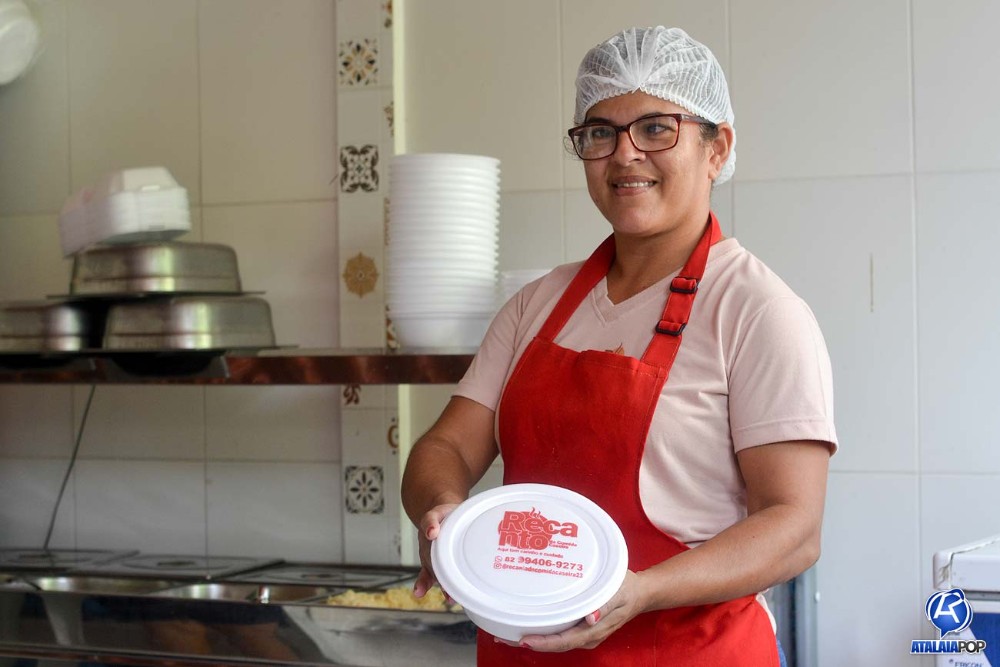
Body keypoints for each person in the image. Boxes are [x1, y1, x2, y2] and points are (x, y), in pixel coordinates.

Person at [401, 25, 837, 666]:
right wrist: (441, 512)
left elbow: (793, 526)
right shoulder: (537, 305)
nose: (625, 154)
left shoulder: (758, 312)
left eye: (657, 128)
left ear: (717, 149)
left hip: (687, 653)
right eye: (600, 133)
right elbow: (445, 446)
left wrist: (642, 591)